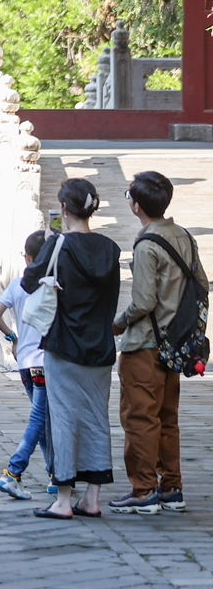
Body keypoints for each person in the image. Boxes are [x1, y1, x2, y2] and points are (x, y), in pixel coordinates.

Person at [21, 177, 120, 521]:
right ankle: (92, 497)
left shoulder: (58, 243)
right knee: (96, 418)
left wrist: (49, 244)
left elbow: (28, 281)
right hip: (102, 346)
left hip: (64, 345)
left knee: (63, 419)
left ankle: (63, 499)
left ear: (64, 209)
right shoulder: (110, 249)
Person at [110, 171, 208, 514]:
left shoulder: (146, 243)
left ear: (136, 205)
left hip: (146, 345)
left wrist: (117, 325)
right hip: (176, 346)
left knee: (139, 419)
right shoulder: (184, 236)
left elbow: (142, 302)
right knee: (168, 419)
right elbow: (202, 285)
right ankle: (171, 487)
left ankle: (143, 490)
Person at [0, 230, 54, 500]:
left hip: (26, 365)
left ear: (26, 257)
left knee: (42, 421)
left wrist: (12, 337)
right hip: (46, 362)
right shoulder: (53, 285)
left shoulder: (17, 284)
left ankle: (55, 473)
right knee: (40, 420)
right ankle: (13, 473)